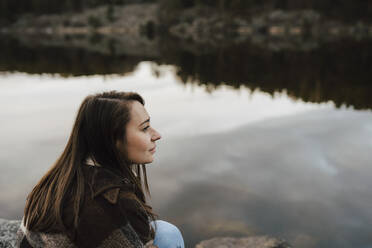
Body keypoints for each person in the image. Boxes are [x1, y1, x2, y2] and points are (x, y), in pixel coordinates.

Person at [16, 91, 185, 248]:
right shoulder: (115, 202)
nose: (157, 135)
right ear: (112, 139)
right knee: (169, 236)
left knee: (163, 230)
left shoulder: (61, 176)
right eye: (144, 128)